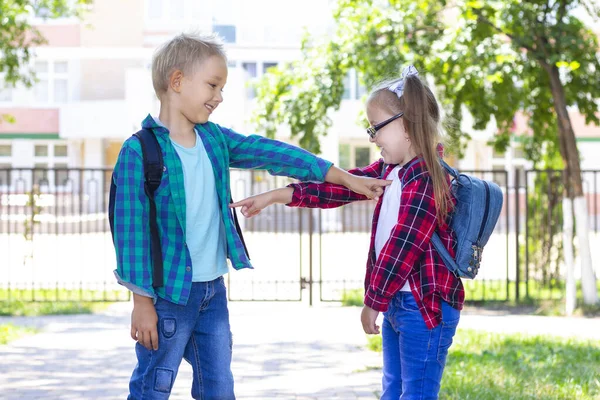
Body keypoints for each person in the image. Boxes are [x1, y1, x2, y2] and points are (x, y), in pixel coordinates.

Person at [111, 32, 390, 400]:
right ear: (176, 81)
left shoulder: (215, 140)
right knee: (153, 386)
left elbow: (276, 154)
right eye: (213, 85)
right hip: (166, 298)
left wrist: (347, 179)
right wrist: (141, 302)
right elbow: (130, 234)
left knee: (220, 388)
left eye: (222, 87)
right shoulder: (139, 151)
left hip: (213, 292)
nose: (220, 96)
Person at [230, 66, 464, 399]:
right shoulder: (390, 171)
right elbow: (338, 188)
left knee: (416, 394)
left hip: (424, 305)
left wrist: (373, 302)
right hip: (400, 301)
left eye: (376, 128)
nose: (372, 139)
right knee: (393, 390)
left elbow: (402, 248)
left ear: (407, 126)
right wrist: (277, 195)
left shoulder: (425, 179)